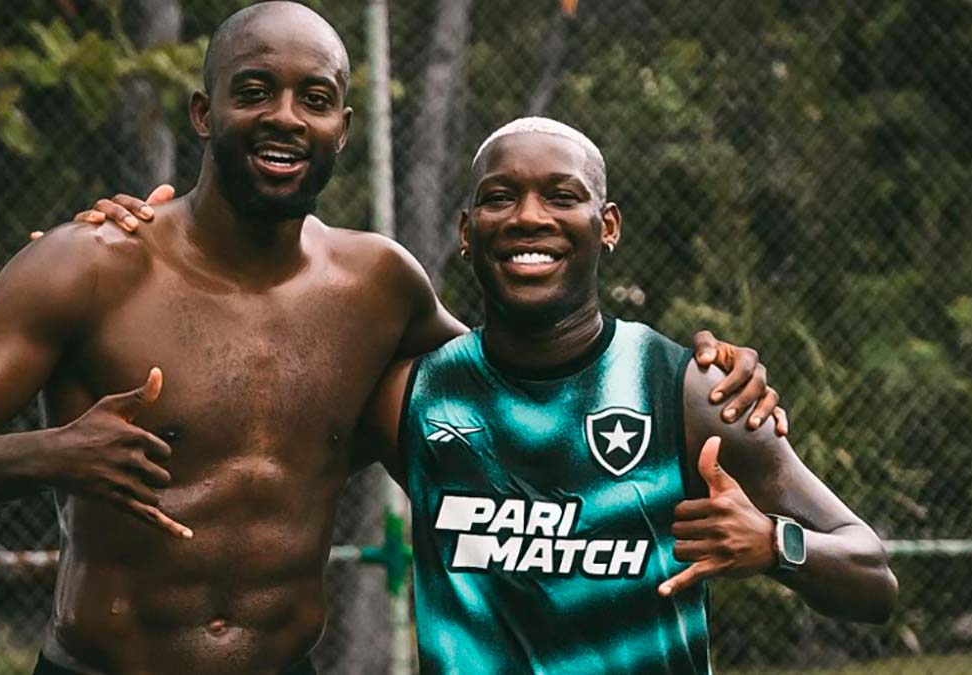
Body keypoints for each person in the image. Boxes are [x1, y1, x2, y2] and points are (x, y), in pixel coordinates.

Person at [0, 4, 781, 674]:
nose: (285, 118)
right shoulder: (91, 266)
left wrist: (700, 376)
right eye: (254, 91)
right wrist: (54, 452)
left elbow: (526, 390)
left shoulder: (378, 285)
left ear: (343, 123)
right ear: (203, 112)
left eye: (316, 97)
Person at [345, 118, 897, 674]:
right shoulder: (412, 398)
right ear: (467, 231)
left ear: (607, 225)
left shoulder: (690, 393)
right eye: (500, 197)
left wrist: (776, 544)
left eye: (562, 196)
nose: (530, 217)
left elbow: (874, 579)